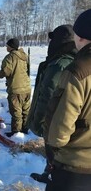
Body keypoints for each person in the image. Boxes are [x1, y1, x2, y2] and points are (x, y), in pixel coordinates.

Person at [44, 9, 91, 191]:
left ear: (79, 38)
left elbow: (59, 130)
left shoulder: (77, 71)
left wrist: (51, 148)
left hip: (75, 168)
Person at [26, 25, 77, 183]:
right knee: (55, 154)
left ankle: (54, 180)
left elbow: (46, 95)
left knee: (54, 153)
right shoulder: (70, 60)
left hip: (54, 122)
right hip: (61, 121)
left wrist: (40, 123)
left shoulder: (59, 64)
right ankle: (48, 174)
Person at [0, 38, 31, 137]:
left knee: (16, 111)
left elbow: (6, 71)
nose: (6, 47)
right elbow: (28, 70)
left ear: (11, 47)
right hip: (26, 88)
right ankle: (25, 128)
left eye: (7, 46)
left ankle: (16, 132)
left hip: (16, 88)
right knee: (25, 109)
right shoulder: (25, 56)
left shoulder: (10, 57)